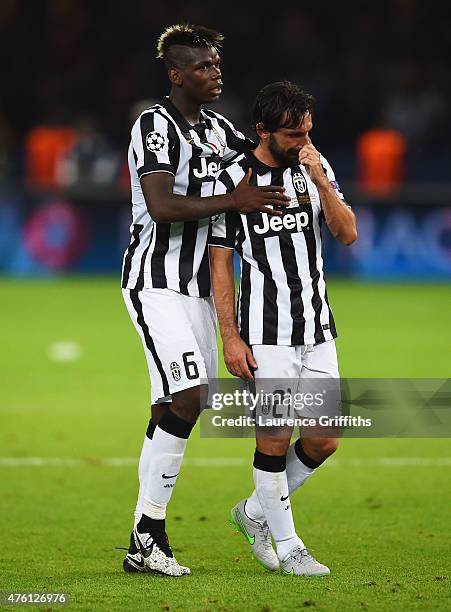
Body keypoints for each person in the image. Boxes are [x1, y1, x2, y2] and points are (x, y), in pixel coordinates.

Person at [121, 25, 289, 577]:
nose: (215, 73)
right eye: (203, 67)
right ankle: (150, 533)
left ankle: (143, 536)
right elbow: (162, 204)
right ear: (177, 75)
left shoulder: (219, 129)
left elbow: (260, 160)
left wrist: (295, 140)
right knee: (190, 396)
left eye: (217, 65)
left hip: (201, 288)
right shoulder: (155, 124)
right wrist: (235, 198)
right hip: (156, 280)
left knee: (170, 408)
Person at [209, 81, 357, 576]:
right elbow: (221, 264)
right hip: (266, 333)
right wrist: (229, 335)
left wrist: (320, 181)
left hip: (317, 327)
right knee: (273, 438)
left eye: (308, 131)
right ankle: (290, 547)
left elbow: (347, 232)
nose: (303, 142)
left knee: (323, 440)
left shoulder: (315, 166)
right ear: (263, 131)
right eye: (293, 135)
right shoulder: (232, 180)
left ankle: (252, 513)